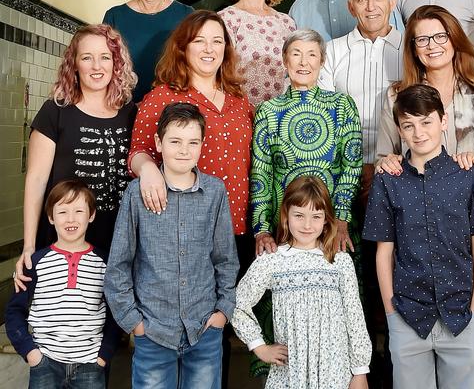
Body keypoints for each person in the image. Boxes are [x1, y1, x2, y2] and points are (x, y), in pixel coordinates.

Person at [363, 84, 474, 389]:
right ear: (399, 129)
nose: (418, 133)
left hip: (461, 315)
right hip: (408, 315)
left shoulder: (468, 175)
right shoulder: (388, 180)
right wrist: (391, 314)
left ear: (443, 120)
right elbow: (384, 254)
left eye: (426, 122)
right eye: (408, 126)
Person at [249, 29, 363, 377]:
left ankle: (344, 373)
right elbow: (261, 174)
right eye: (295, 54)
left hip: (329, 228)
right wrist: (262, 229)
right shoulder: (268, 111)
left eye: (311, 54)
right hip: (287, 228)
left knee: (339, 307)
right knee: (285, 314)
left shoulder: (341, 105)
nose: (303, 62)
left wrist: (341, 218)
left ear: (322, 61)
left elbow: (351, 164)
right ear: (284, 61)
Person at [105, 102, 239, 389]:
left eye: (193, 142)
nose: (183, 150)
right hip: (153, 331)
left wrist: (222, 311)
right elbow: (118, 266)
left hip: (204, 328)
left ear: (203, 144)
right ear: (158, 142)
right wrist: (134, 323)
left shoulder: (215, 192)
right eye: (175, 141)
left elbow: (225, 259)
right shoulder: (136, 194)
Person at [13, 24, 137, 292]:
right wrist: (29, 245)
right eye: (86, 57)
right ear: (74, 64)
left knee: (110, 325)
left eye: (105, 57)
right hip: (64, 240)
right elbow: (35, 181)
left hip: (117, 240)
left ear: (117, 63)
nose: (97, 66)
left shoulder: (130, 112)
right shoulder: (55, 112)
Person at [128, 10, 254, 262]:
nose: (209, 49)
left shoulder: (240, 101)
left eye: (217, 41)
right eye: (199, 41)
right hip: (185, 226)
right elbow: (137, 152)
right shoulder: (162, 97)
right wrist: (148, 170)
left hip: (237, 225)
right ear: (183, 47)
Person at [232, 175, 371, 389]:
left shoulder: (339, 261)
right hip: (290, 372)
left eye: (316, 216)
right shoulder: (273, 260)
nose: (307, 225)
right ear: (286, 216)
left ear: (326, 219)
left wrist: (360, 371)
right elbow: (238, 303)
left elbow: (354, 318)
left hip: (335, 372)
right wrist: (260, 347)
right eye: (299, 215)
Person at [5, 180, 120, 389]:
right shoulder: (34, 263)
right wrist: (32, 354)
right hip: (45, 363)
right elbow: (14, 311)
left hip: (90, 365)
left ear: (91, 215)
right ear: (50, 217)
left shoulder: (105, 263)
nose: (71, 219)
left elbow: (115, 314)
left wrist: (103, 356)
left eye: (79, 211)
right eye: (62, 212)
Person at [375, 5, 474, 176]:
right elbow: (384, 158)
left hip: (473, 197)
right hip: (416, 197)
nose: (432, 46)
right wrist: (385, 162)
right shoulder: (396, 96)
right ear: (414, 49)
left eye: (441, 36)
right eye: (422, 39)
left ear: (454, 40)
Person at [319, 0, 403, 204]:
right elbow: (326, 118)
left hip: (401, 172)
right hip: (342, 174)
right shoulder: (331, 52)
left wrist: (384, 165)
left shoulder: (412, 51)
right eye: (362, 0)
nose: (371, 7)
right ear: (351, 8)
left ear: (392, 2)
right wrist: (357, 168)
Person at [103, 0, 193, 103]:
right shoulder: (114, 16)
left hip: (174, 108)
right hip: (123, 108)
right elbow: (105, 66)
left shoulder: (187, 15)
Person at [219, 0, 296, 106]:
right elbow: (218, 75)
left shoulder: (286, 23)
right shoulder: (226, 19)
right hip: (241, 114)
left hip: (281, 117)